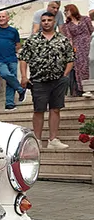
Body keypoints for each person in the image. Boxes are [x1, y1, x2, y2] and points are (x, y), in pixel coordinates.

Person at [19, 11, 76, 150]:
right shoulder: (32, 40)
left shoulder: (62, 40)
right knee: (39, 110)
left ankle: (53, 140)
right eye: (43, 20)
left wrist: (65, 75)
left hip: (58, 80)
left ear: (54, 22)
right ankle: (37, 140)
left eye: (49, 20)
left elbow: (70, 59)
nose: (46, 22)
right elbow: (23, 59)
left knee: (55, 109)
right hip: (39, 80)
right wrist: (24, 76)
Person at [0, 11, 26, 110]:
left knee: (11, 79)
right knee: (5, 74)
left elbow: (18, 44)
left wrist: (11, 49)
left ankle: (9, 103)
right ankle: (20, 89)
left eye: (3, 17)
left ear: (8, 18)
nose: (1, 18)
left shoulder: (13, 31)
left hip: (12, 58)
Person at [60, 4, 93, 98]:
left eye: (67, 11)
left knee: (90, 64)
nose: (65, 13)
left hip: (88, 44)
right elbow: (69, 38)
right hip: (77, 47)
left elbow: (91, 31)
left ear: (72, 10)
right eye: (64, 12)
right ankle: (85, 88)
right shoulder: (67, 25)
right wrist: (71, 50)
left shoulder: (85, 19)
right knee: (81, 68)